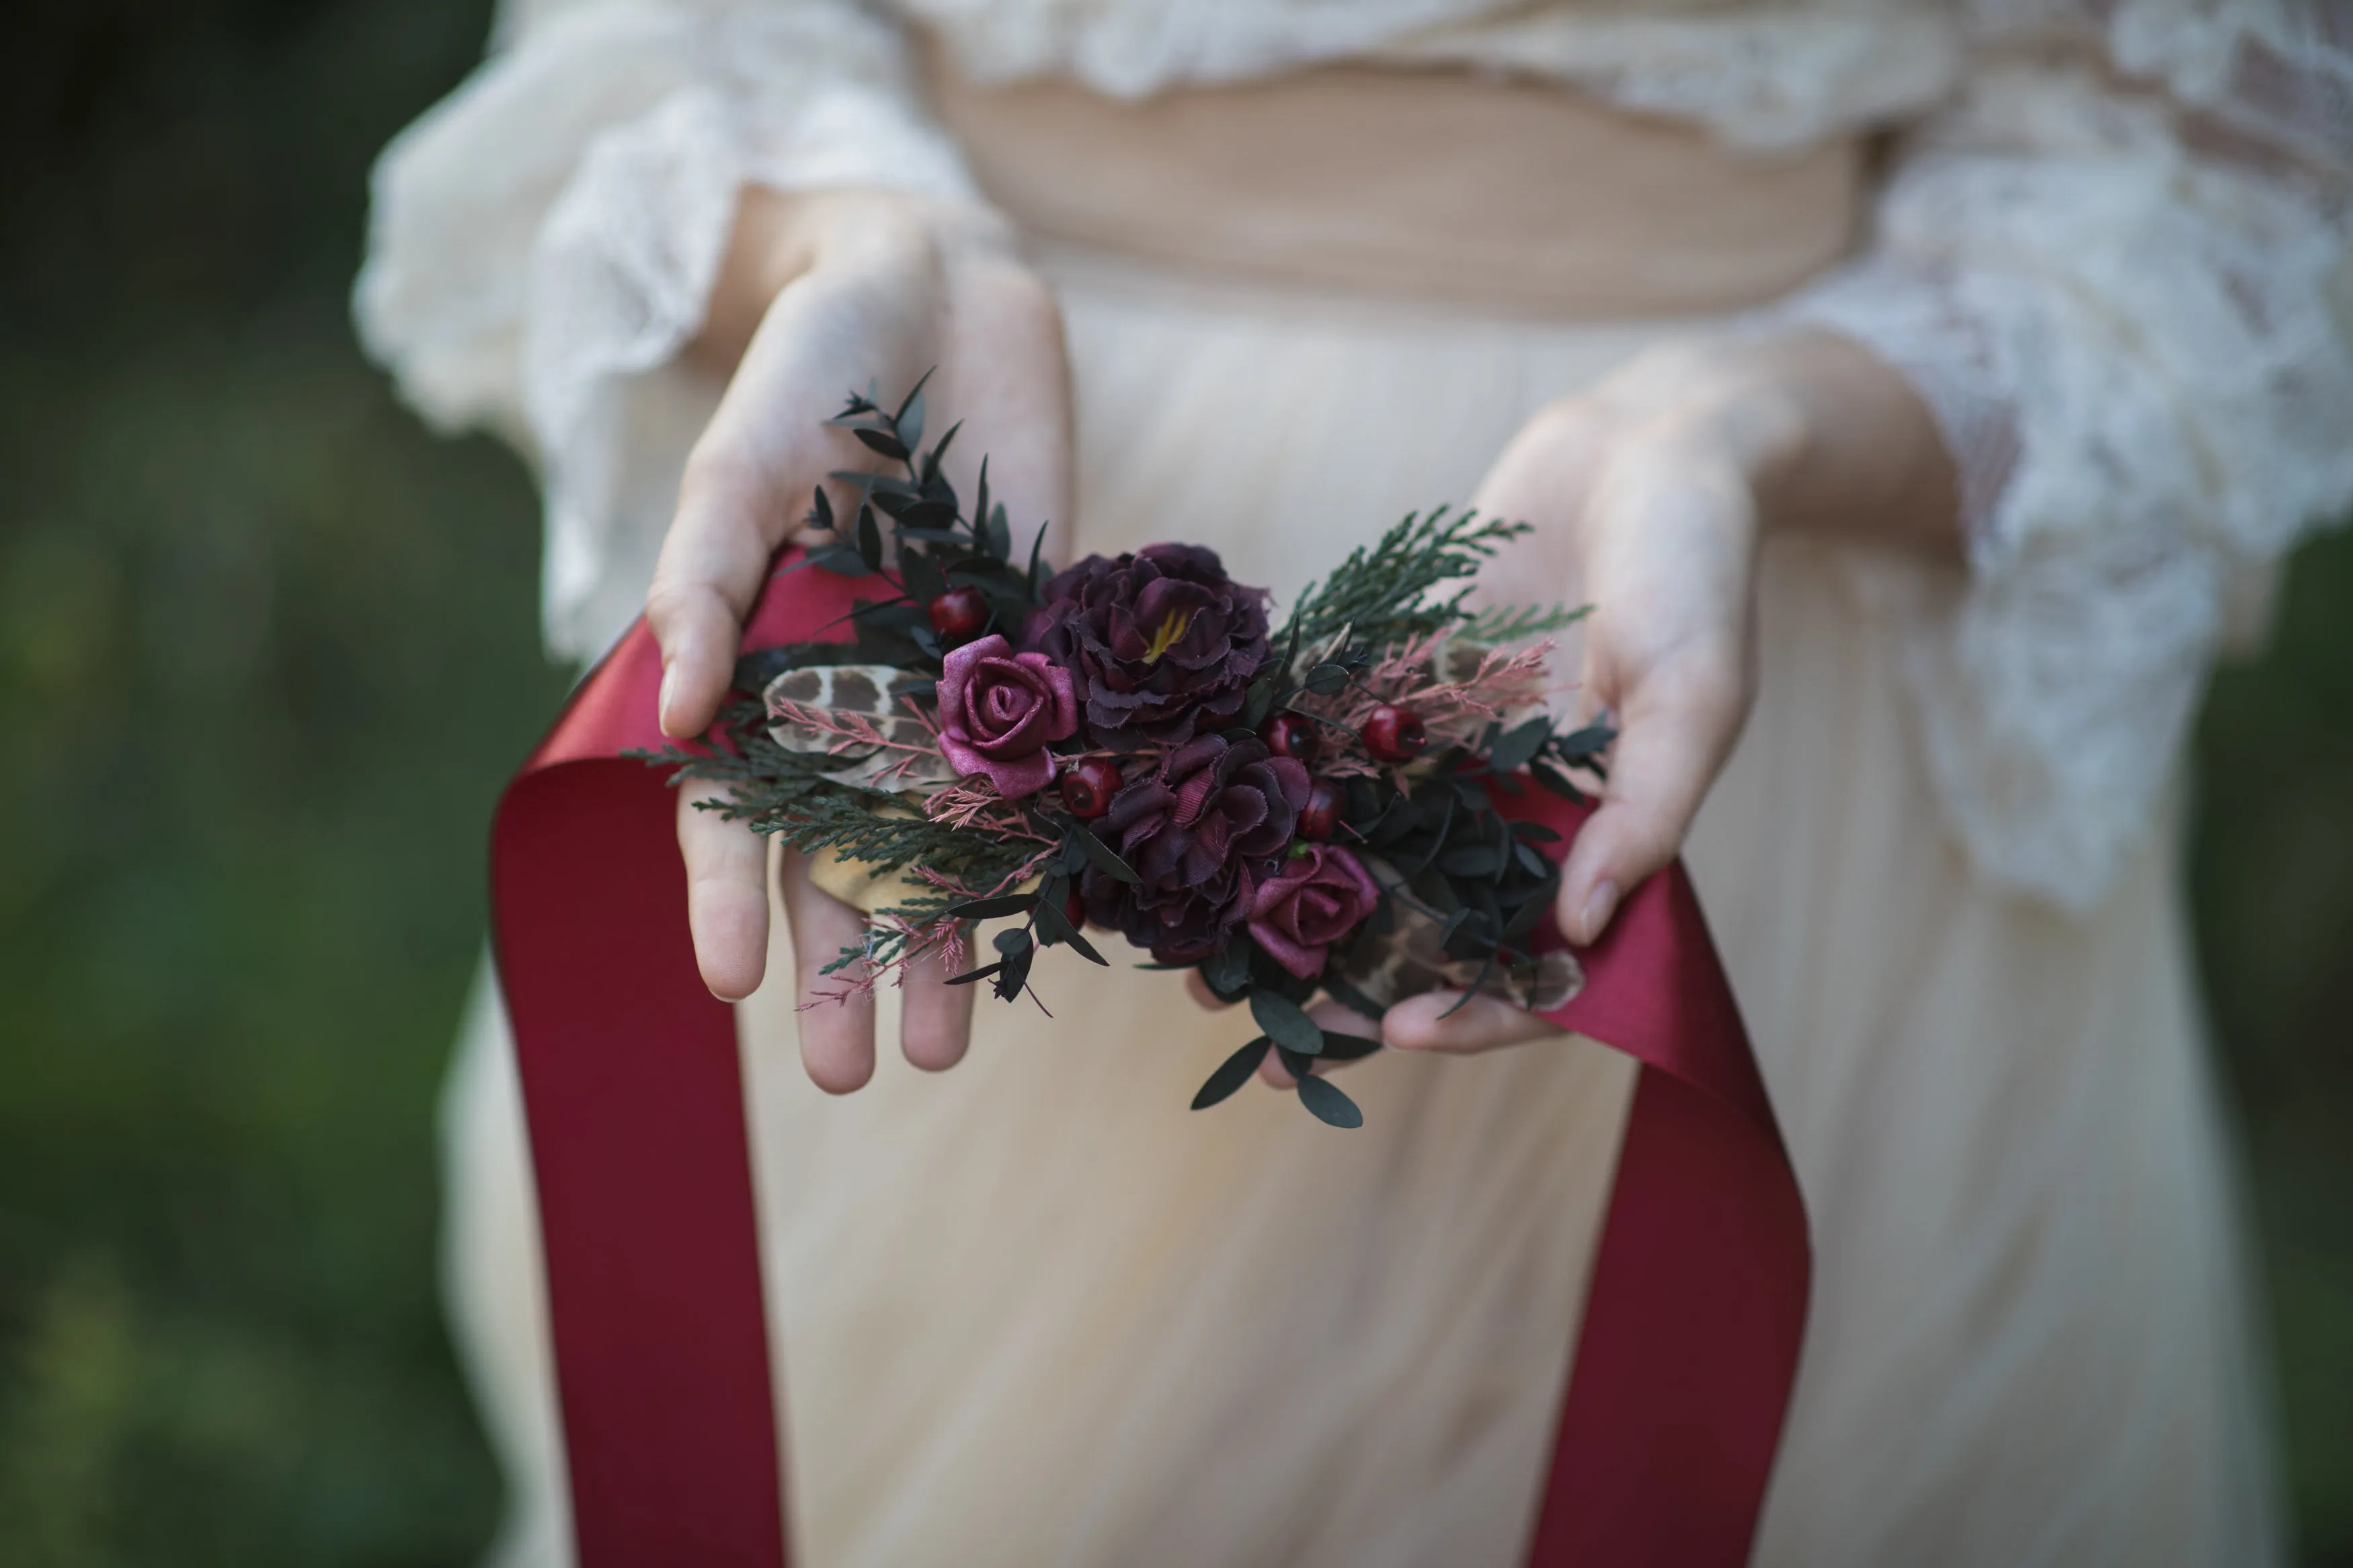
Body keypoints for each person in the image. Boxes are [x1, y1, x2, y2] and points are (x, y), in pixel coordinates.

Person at [356, 2, 2352, 1563]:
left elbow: (2188, 176)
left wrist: (1742, 424)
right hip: (975, 561)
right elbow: (666, 35)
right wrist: (859, 240)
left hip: (1711, 666)